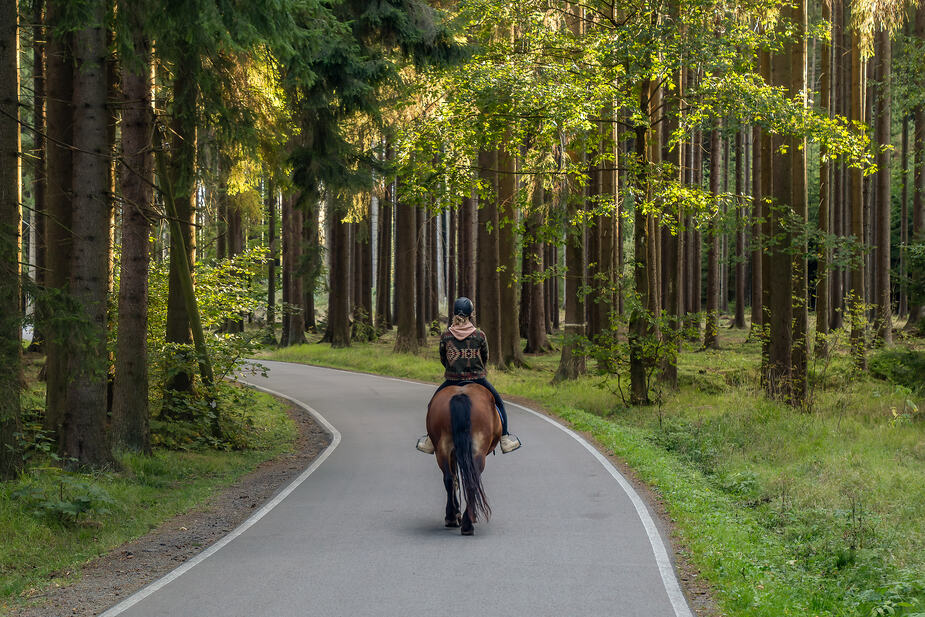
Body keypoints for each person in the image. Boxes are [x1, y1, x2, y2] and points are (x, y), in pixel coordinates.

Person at [416, 297, 522, 454]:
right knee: (498, 403)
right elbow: (485, 357)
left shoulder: (446, 336)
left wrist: (453, 369)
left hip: (452, 380)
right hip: (477, 379)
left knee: (432, 405)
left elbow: (443, 359)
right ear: (471, 314)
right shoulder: (480, 335)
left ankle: (430, 441)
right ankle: (505, 439)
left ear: (453, 313)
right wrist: (478, 369)